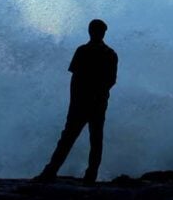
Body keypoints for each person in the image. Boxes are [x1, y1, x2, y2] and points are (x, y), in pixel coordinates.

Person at [37, 18, 118, 183]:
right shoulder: (106, 53)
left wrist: (77, 100)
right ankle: (84, 175)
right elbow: (109, 80)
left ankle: (53, 172)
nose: (97, 33)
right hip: (92, 103)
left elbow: (78, 79)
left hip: (86, 103)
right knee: (90, 139)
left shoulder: (88, 51)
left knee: (75, 139)